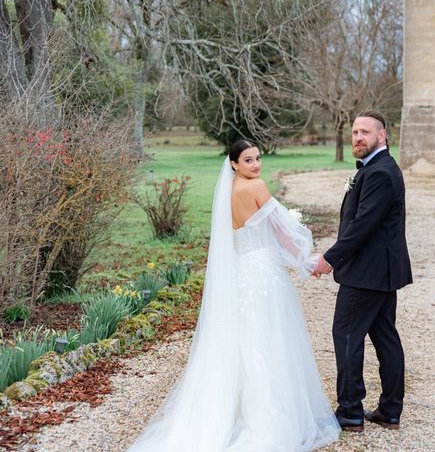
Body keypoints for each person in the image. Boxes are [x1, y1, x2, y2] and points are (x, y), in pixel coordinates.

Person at [128, 140, 340, 452]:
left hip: (241, 274)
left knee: (245, 340)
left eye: (258, 159)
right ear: (234, 164)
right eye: (248, 160)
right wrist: (306, 261)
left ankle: (233, 411)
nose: (256, 165)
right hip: (263, 274)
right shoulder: (256, 188)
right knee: (270, 340)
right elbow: (282, 232)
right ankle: (269, 420)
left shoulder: (226, 193)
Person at [314, 110, 412, 432]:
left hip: (366, 274)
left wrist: (330, 258)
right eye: (355, 132)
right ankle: (390, 411)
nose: (358, 137)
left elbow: (362, 226)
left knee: (346, 336)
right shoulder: (376, 168)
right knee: (385, 338)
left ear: (382, 136)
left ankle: (350, 412)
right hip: (379, 273)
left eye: (365, 132)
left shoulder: (381, 173)